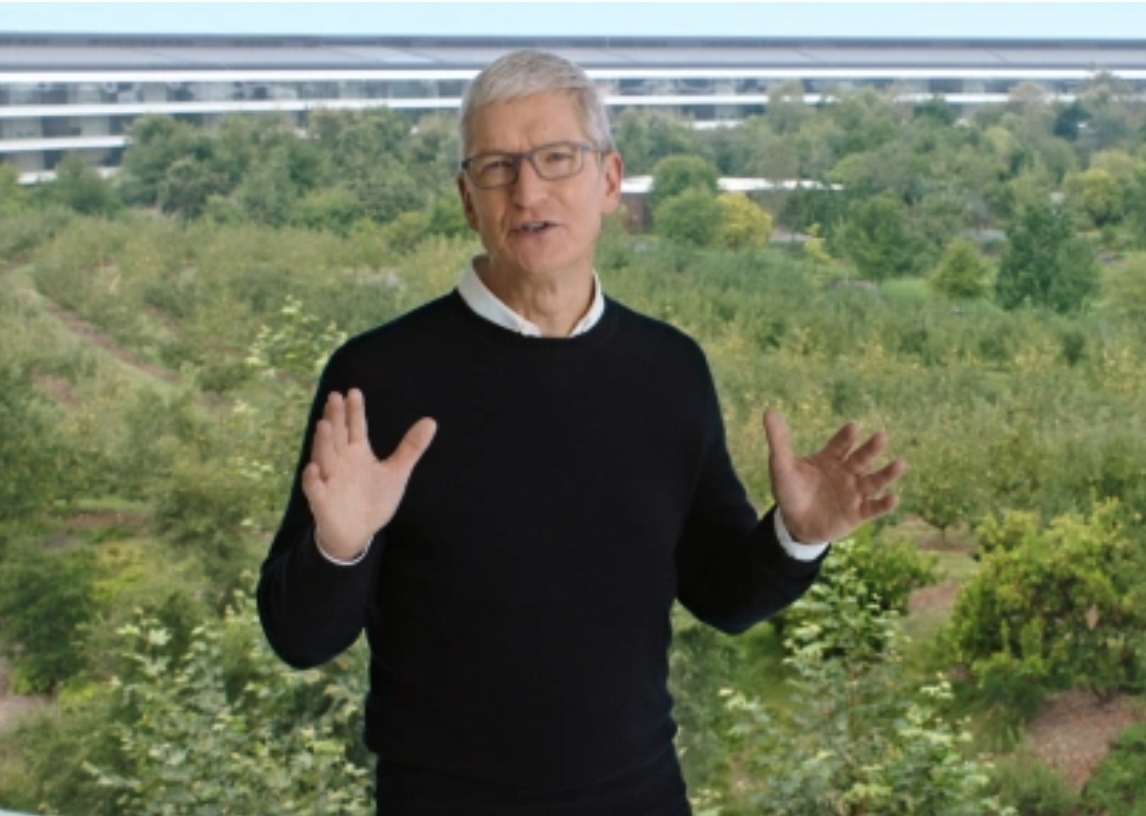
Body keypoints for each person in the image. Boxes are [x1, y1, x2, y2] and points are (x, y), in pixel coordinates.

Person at [256, 49, 905, 816]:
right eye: (498, 167)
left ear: (608, 180)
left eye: (557, 158)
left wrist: (797, 537)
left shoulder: (668, 370)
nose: (528, 190)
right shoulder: (379, 375)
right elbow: (298, 638)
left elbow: (722, 597)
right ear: (469, 199)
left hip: (640, 796)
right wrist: (341, 546)